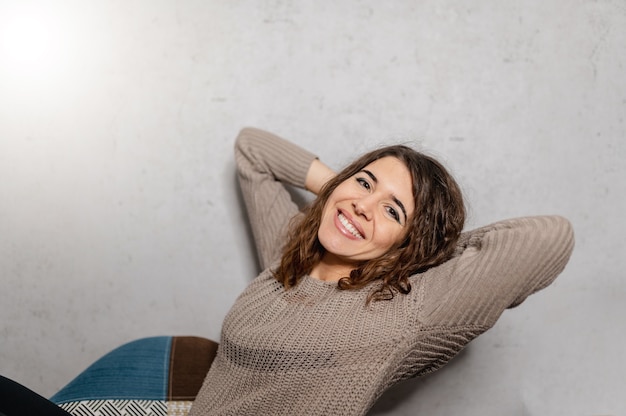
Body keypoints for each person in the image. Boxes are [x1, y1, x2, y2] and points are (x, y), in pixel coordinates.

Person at [188, 128, 575, 415]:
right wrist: (342, 195)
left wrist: (422, 247)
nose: (363, 206)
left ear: (409, 242)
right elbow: (252, 149)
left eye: (393, 211)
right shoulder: (288, 254)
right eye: (364, 182)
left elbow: (551, 237)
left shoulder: (402, 311)